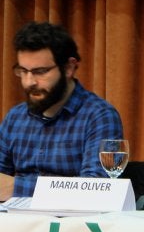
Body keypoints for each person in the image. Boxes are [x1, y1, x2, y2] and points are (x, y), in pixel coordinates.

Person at [0, 21, 124, 199]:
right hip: (17, 224)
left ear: (69, 68)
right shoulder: (15, 118)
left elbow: (96, 189)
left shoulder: (99, 116)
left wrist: (15, 187)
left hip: (72, 225)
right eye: (23, 71)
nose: (28, 82)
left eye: (40, 71)